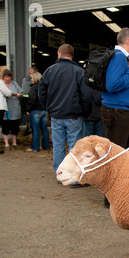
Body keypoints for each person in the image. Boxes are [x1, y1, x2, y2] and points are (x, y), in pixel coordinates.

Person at [38, 44, 91, 179]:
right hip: (74, 116)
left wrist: (48, 107)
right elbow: (86, 95)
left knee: (58, 147)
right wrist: (85, 112)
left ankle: (60, 174)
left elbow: (41, 92)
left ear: (59, 54)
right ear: (71, 55)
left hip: (56, 115)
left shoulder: (49, 71)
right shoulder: (78, 71)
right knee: (75, 148)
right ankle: (73, 178)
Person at [101, 27, 129, 149]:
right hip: (117, 112)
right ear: (128, 41)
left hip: (121, 110)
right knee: (117, 153)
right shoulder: (119, 57)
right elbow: (112, 85)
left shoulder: (122, 57)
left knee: (128, 149)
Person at [26, 71, 50, 152]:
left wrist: (28, 109)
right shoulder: (45, 87)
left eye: (32, 78)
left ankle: (35, 147)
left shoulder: (34, 88)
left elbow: (31, 99)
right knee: (44, 129)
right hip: (44, 110)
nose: (31, 80)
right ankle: (46, 146)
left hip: (35, 110)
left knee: (35, 129)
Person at [1, 69, 24, 150]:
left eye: (9, 77)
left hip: (15, 109)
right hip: (5, 109)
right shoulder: (1, 84)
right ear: (3, 77)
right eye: (6, 77)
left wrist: (20, 95)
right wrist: (14, 94)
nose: (7, 79)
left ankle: (14, 143)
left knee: (15, 127)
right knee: (5, 127)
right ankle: (6, 144)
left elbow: (21, 92)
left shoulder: (14, 83)